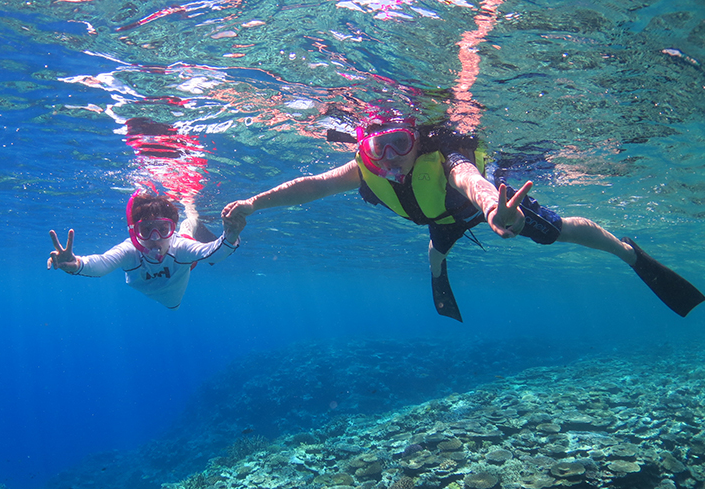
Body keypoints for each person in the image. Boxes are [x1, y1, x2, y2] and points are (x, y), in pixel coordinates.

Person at [222, 111, 704, 321]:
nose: (390, 157)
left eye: (401, 144)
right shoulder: (361, 170)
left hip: (488, 209)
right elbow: (308, 188)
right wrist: (251, 204)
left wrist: (495, 207)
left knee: (555, 232)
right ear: (364, 148)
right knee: (435, 247)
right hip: (441, 219)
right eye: (379, 147)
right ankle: (439, 274)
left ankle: (627, 254)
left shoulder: (445, 159)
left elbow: (471, 180)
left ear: (417, 141)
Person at [48, 193, 245, 309]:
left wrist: (230, 236)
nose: (155, 238)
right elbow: (102, 263)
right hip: (168, 292)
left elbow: (211, 253)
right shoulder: (130, 250)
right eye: (146, 230)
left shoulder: (180, 247)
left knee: (188, 230)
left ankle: (191, 218)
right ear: (135, 233)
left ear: (171, 230)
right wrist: (76, 264)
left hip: (182, 267)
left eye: (163, 229)